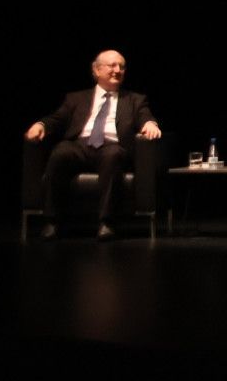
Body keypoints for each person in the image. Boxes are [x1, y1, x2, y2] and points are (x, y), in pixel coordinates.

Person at [25, 50, 161, 241]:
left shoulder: (135, 99)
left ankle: (107, 223)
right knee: (60, 152)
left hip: (111, 145)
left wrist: (150, 124)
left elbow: (144, 116)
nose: (118, 70)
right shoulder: (75, 98)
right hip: (80, 145)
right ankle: (52, 222)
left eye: (122, 66)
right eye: (112, 65)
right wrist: (41, 125)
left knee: (112, 155)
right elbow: (57, 118)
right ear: (96, 70)